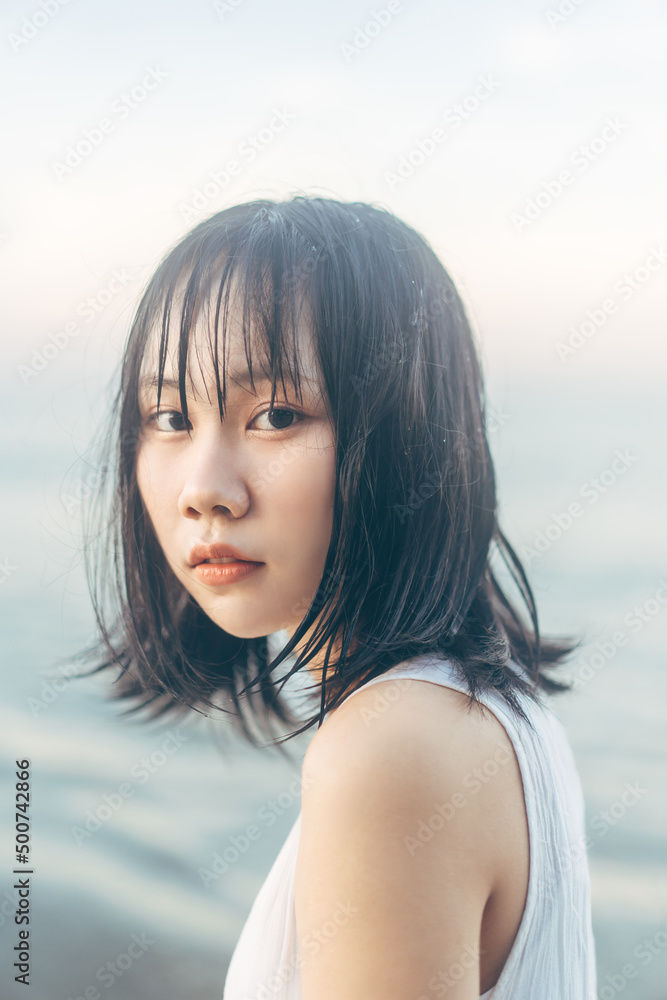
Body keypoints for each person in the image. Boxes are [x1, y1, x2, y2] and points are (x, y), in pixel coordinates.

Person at [79, 195, 598, 998]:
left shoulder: (392, 751)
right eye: (170, 415)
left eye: (276, 414)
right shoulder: (494, 715)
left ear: (404, 437)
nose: (204, 490)